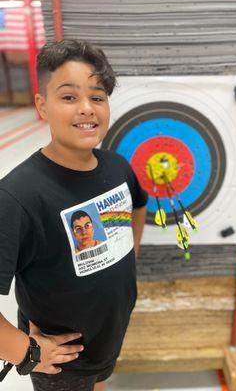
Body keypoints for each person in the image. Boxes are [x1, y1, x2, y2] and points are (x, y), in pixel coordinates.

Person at [0, 39, 148, 391]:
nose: (87, 108)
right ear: (42, 106)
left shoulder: (117, 167)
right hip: (60, 362)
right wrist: (28, 352)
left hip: (108, 338)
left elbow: (138, 206)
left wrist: (128, 259)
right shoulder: (17, 196)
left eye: (97, 97)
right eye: (69, 97)